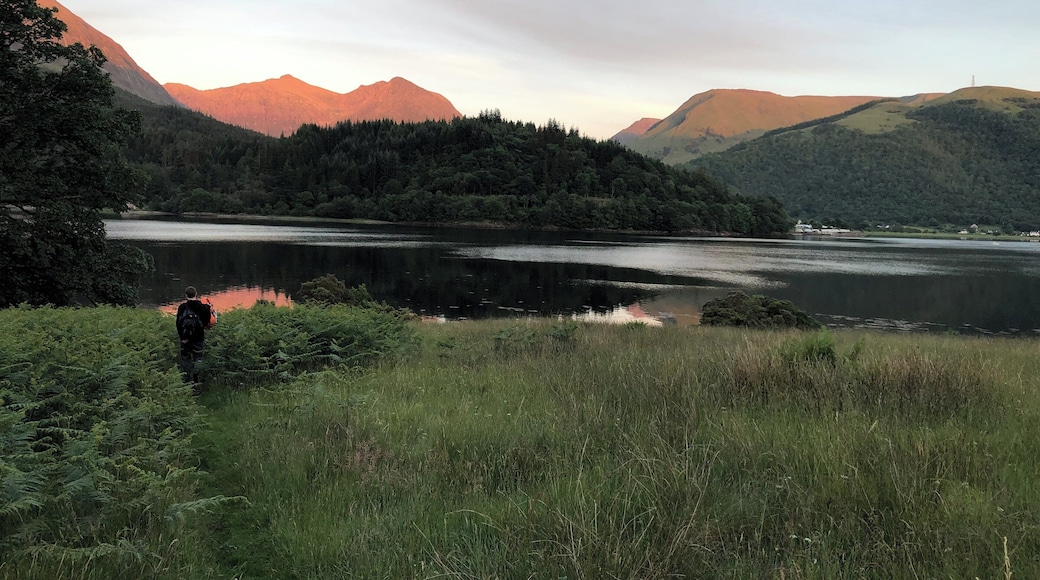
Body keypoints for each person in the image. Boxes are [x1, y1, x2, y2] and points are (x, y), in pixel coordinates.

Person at [176, 286, 213, 385]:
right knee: (198, 357)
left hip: (185, 339)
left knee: (186, 358)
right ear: (196, 294)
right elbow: (207, 323)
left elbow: (178, 324)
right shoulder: (204, 307)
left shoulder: (182, 307)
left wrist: (182, 338)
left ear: (186, 295)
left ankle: (187, 380)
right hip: (199, 337)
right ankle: (196, 376)